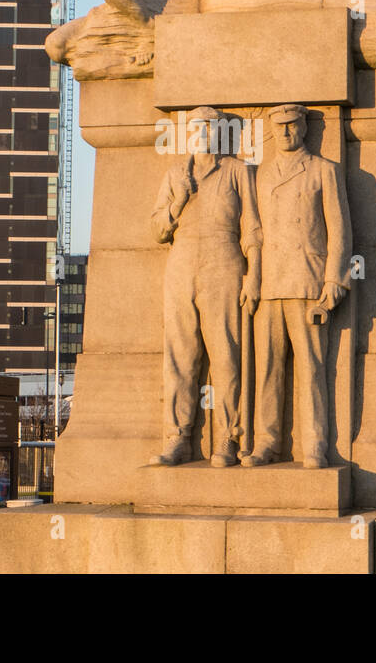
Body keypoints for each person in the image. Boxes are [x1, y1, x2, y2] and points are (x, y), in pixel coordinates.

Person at [150, 107, 260, 467]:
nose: (202, 132)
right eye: (195, 127)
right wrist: (178, 201)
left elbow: (253, 229)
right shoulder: (173, 175)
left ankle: (228, 437)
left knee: (226, 353)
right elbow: (156, 231)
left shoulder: (238, 171)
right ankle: (178, 437)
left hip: (224, 261)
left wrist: (254, 274)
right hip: (181, 261)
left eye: (208, 127)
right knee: (179, 354)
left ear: (219, 132)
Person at [243, 105, 351, 469]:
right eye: (281, 127)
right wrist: (251, 279)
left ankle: (315, 444)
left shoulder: (324, 171)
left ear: (304, 128)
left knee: (311, 370)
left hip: (308, 281)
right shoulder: (258, 175)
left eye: (293, 125)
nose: (287, 133)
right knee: (268, 369)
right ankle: (266, 442)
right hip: (270, 284)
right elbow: (252, 231)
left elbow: (339, 230)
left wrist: (335, 279)